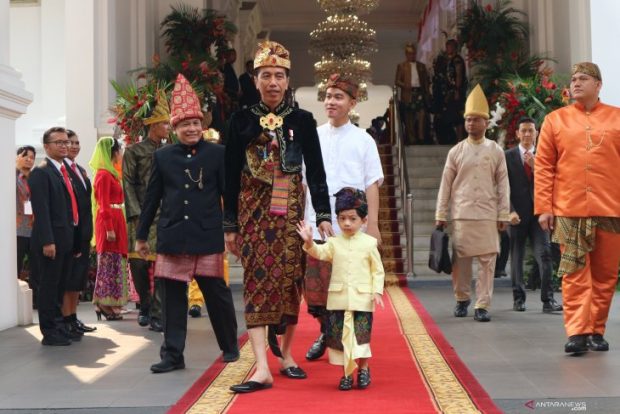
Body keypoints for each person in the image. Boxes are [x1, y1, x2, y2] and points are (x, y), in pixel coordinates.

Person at [224, 41, 332, 393]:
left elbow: (315, 171)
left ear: (288, 81)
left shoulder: (303, 120)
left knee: (290, 284)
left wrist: (325, 215)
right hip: (252, 215)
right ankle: (260, 367)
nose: (273, 82)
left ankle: (286, 356)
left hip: (290, 216)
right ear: (255, 80)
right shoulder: (239, 120)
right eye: (266, 75)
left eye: (280, 76)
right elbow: (228, 176)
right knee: (255, 286)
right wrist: (230, 226)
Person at [136, 74, 239, 374]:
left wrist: (232, 229)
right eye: (185, 124)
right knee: (171, 301)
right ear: (174, 127)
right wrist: (142, 236)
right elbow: (152, 198)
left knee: (217, 296)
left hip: (206, 236)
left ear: (202, 125)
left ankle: (230, 347)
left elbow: (228, 195)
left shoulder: (218, 154)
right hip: (172, 236)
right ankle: (172, 355)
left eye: (195, 123)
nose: (191, 128)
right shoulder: (163, 156)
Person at [534, 62, 620, 354]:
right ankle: (578, 332)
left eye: (583, 78)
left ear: (598, 84)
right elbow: (544, 167)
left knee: (605, 274)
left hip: (610, 208)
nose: (576, 83)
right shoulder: (555, 120)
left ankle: (597, 330)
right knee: (574, 273)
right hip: (568, 208)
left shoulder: (617, 118)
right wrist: (544, 207)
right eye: (573, 79)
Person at [303, 74, 384, 362]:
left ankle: (347, 341)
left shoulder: (364, 140)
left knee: (350, 288)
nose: (331, 101)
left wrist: (372, 225)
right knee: (316, 290)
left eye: (338, 97)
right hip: (316, 223)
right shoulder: (312, 136)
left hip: (352, 229)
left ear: (352, 103)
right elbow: (304, 182)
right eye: (327, 96)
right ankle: (327, 331)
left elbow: (372, 183)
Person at [435, 84, 510, 322]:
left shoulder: (496, 151)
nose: (470, 124)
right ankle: (461, 298)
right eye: (468, 120)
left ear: (486, 123)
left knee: (488, 261)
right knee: (462, 260)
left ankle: (483, 305)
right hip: (462, 213)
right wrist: (441, 213)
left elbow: (503, 184)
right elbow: (445, 185)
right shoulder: (456, 152)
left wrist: (504, 214)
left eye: (476, 120)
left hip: (488, 213)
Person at [298, 188, 384, 390]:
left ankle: (363, 370)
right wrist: (309, 241)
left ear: (363, 221)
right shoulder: (334, 243)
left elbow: (377, 271)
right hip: (338, 300)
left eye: (352, 219)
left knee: (361, 338)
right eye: (342, 218)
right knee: (339, 339)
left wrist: (377, 291)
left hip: (362, 300)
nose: (346, 223)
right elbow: (319, 252)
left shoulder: (370, 243)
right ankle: (346, 374)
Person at [123, 90, 169, 332]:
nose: (168, 128)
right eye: (164, 124)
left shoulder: (168, 152)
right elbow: (128, 182)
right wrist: (135, 212)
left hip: (164, 215)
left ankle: (159, 313)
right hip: (140, 214)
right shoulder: (134, 151)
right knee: (139, 264)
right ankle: (145, 305)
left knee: (162, 264)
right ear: (152, 126)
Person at [505, 117, 562, 313]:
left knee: (545, 255)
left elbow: (555, 182)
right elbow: (503, 188)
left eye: (531, 130)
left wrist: (536, 166)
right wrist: (509, 210)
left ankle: (548, 300)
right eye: (524, 131)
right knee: (517, 257)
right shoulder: (508, 156)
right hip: (517, 216)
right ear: (517, 134)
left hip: (540, 215)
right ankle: (518, 299)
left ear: (537, 133)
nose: (528, 134)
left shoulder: (545, 156)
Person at [29, 127, 79, 346]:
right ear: (46, 146)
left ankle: (59, 326)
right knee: (49, 287)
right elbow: (42, 210)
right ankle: (49, 331)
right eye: (58, 142)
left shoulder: (63, 171)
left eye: (66, 141)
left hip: (66, 240)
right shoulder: (41, 172)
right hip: (51, 241)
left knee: (60, 285)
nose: (64, 145)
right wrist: (48, 241)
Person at [90, 137, 128, 320]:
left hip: (116, 218)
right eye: (119, 150)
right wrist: (109, 228)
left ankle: (109, 302)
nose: (121, 154)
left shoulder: (111, 174)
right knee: (107, 262)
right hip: (109, 221)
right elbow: (103, 204)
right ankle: (104, 302)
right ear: (113, 152)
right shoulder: (103, 175)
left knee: (115, 261)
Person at [63, 130, 96, 334]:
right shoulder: (61, 171)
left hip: (83, 233)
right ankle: (66, 319)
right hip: (70, 234)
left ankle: (74, 318)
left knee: (78, 280)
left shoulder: (80, 170)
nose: (74, 146)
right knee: (68, 279)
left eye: (76, 142)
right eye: (69, 142)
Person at [394, 42, 431, 145]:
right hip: (408, 93)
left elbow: (425, 81)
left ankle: (421, 136)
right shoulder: (402, 66)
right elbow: (397, 81)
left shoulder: (421, 66)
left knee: (422, 114)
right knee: (408, 116)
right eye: (410, 53)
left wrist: (427, 93)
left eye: (414, 53)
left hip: (419, 92)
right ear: (406, 54)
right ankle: (411, 138)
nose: (412, 55)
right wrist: (405, 85)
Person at [16, 145, 36, 281]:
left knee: (36, 268)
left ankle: (35, 299)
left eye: (32, 157)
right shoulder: (13, 177)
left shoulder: (35, 178)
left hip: (35, 229)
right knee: (16, 265)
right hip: (18, 230)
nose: (29, 160)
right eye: (25, 156)